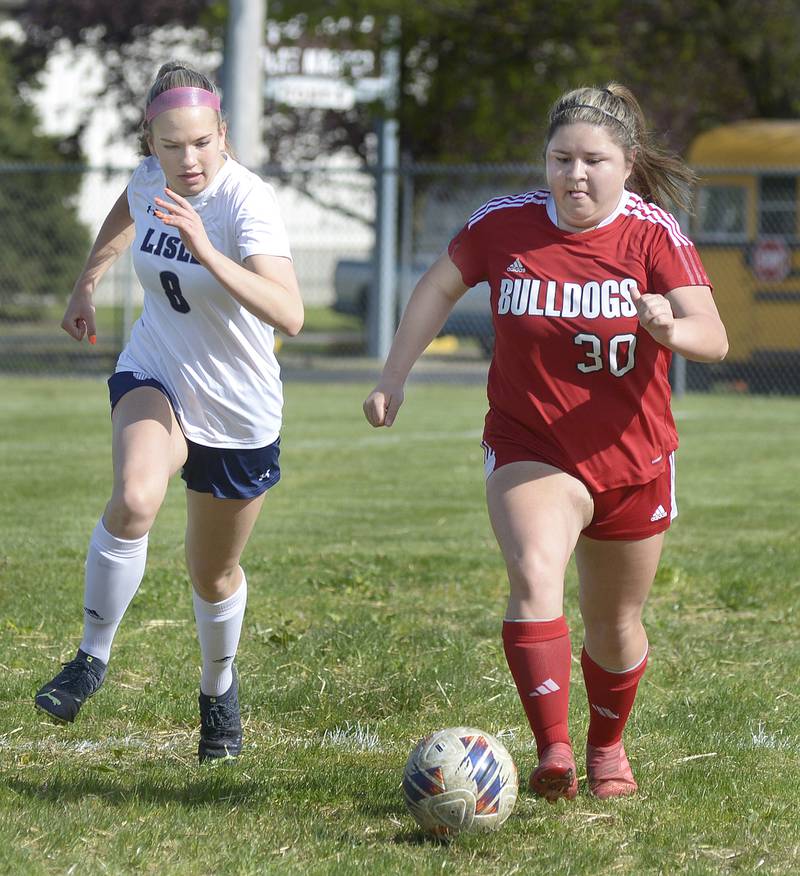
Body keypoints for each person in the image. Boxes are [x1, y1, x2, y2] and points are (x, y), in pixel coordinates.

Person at [364, 83, 728, 801]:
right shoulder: (504, 225)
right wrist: (393, 376)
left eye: (594, 160)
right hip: (532, 443)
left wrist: (667, 328)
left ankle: (607, 746)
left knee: (615, 621)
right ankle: (553, 749)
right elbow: (439, 287)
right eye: (561, 159)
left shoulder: (655, 233)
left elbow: (712, 337)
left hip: (633, 456)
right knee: (534, 572)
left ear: (626, 163)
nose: (576, 175)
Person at [35, 62, 303, 763]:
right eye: (171, 145)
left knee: (212, 574)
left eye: (201, 144)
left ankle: (218, 691)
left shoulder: (248, 202)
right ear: (150, 143)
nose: (188, 160)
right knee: (134, 496)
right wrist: (86, 285)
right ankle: (90, 658)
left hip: (241, 409)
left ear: (223, 135)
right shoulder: (150, 178)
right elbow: (126, 210)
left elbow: (291, 314)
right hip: (157, 371)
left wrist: (206, 250)